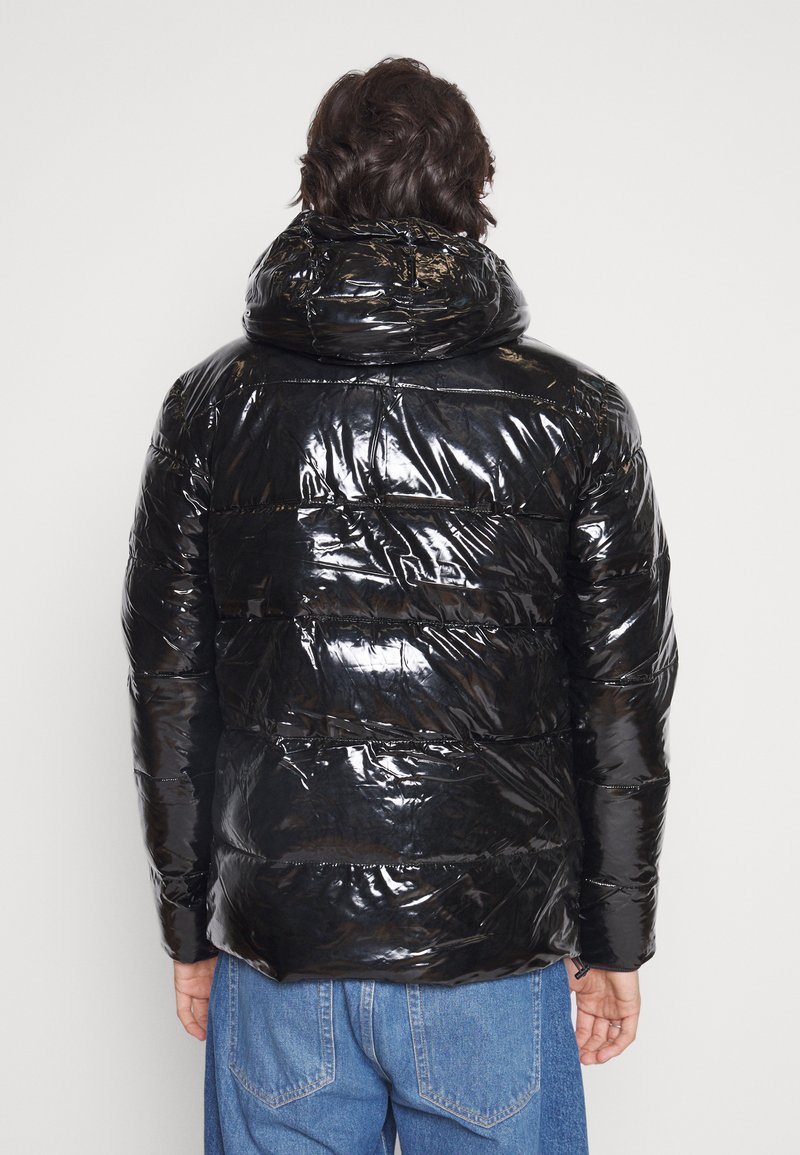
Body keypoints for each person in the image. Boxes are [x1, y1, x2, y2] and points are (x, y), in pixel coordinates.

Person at [121, 55, 679, 1155]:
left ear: (314, 182)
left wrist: (190, 923)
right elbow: (621, 701)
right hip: (488, 955)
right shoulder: (575, 413)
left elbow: (169, 689)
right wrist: (614, 938)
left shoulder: (212, 406)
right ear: (474, 186)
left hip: (279, 949)